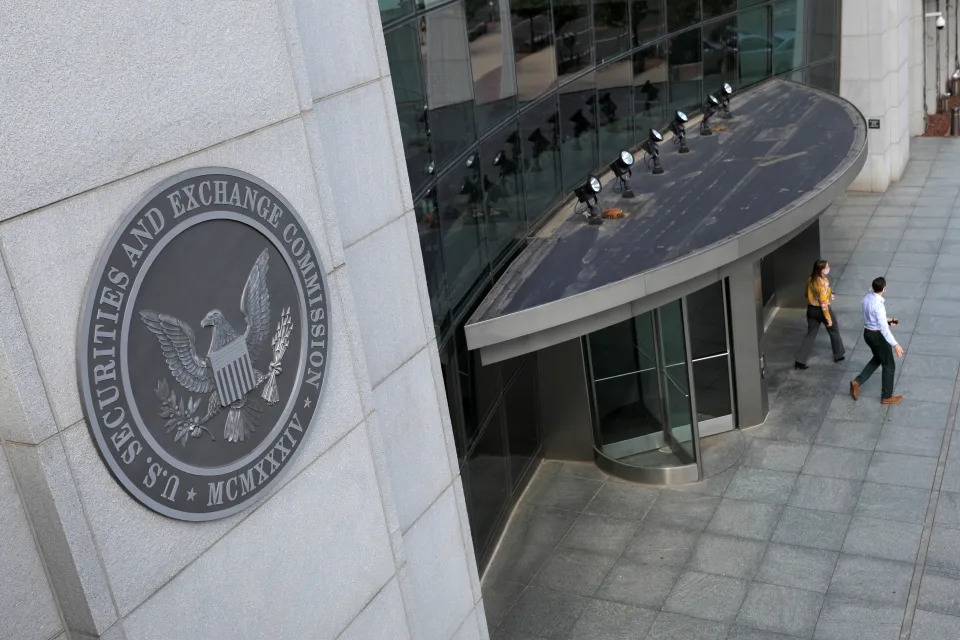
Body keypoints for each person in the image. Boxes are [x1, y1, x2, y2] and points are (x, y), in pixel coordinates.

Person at [850, 276, 904, 404]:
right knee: (889, 365)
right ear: (884, 289)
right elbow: (884, 329)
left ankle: (857, 382)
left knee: (878, 358)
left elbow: (873, 318)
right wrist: (895, 344)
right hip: (877, 337)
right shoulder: (879, 306)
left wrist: (890, 320)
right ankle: (886, 396)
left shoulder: (867, 298)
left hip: (867, 333)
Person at [794, 259, 844, 369]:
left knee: (810, 334)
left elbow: (806, 294)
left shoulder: (810, 279)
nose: (828, 268)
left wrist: (829, 293)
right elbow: (823, 304)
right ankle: (838, 355)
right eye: (827, 267)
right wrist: (828, 318)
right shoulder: (823, 283)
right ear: (822, 270)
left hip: (811, 310)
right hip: (822, 310)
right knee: (834, 330)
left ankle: (800, 360)